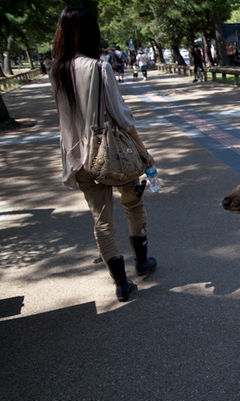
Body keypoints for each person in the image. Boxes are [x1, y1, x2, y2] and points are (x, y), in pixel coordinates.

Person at [50, 6, 157, 302]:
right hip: (111, 155)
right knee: (132, 204)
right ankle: (143, 262)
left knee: (102, 219)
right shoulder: (99, 68)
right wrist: (144, 152)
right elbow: (122, 117)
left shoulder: (56, 70)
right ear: (90, 34)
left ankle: (121, 284)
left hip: (77, 157)